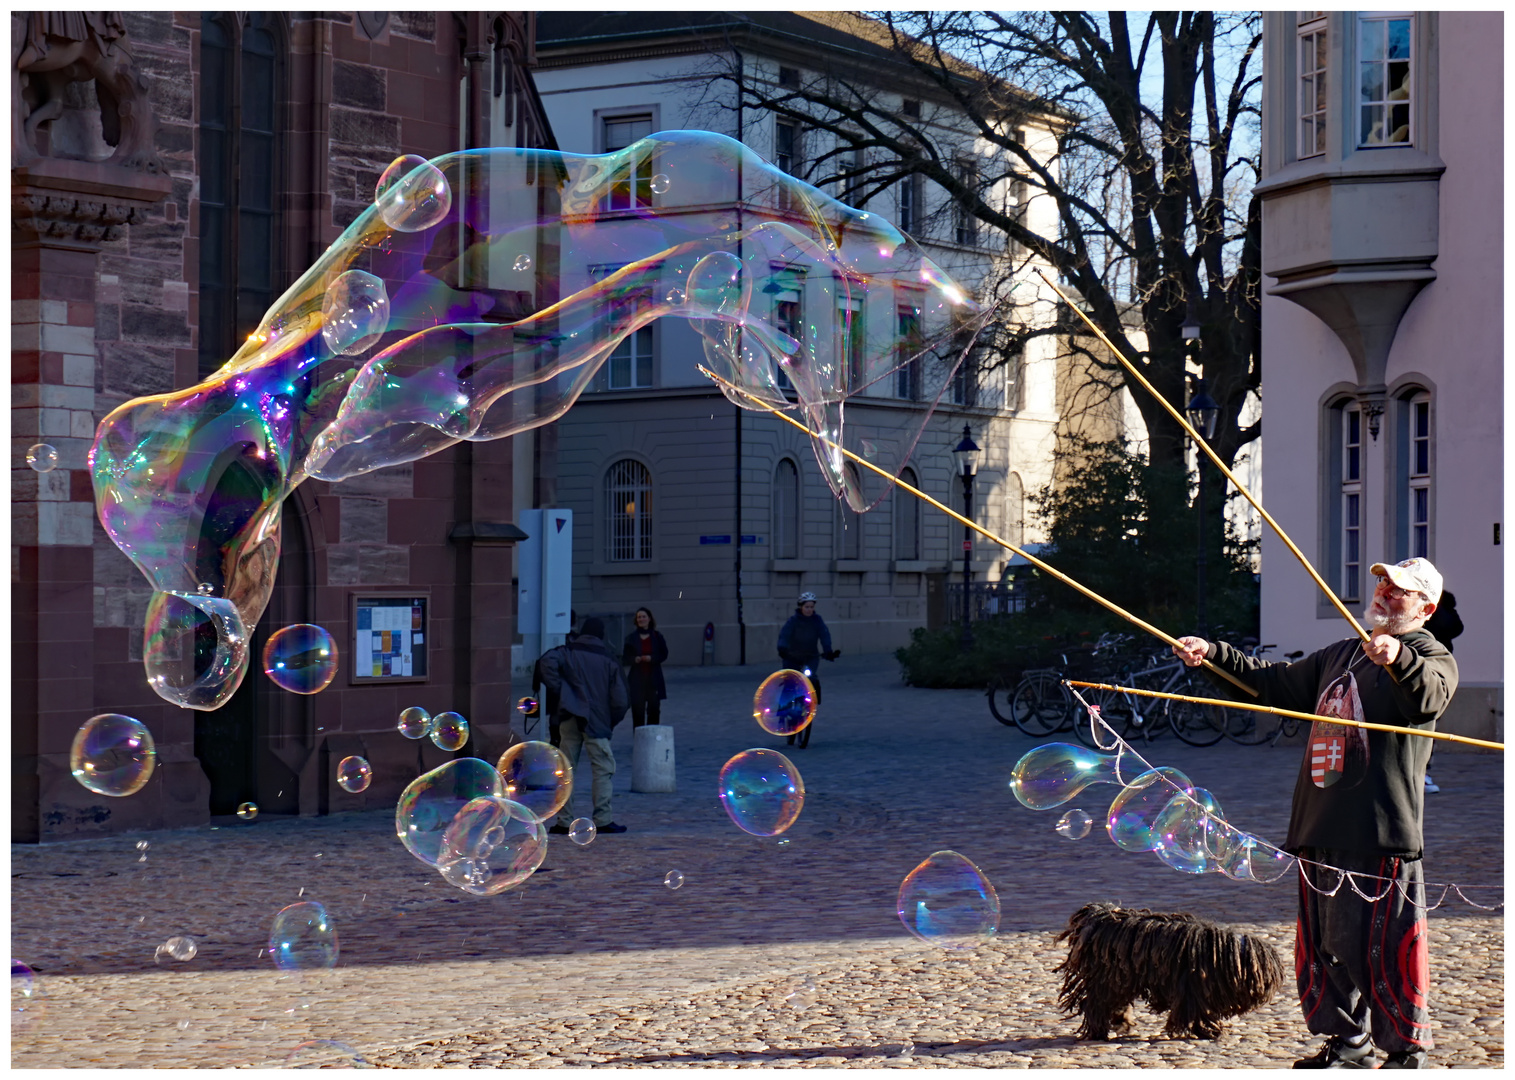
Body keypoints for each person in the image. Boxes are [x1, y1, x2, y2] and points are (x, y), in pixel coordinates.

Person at [1173, 557, 1456, 1069]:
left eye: (1400, 591)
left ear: (1426, 608)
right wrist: (1212, 654)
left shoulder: (1429, 654)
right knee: (1324, 950)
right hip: (1318, 825)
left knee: (1382, 950)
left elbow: (1428, 695)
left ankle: (1404, 1052)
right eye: (1383, 585)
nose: (1385, 594)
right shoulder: (1343, 653)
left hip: (1379, 832)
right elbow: (1273, 684)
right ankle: (1348, 1045)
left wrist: (1398, 658)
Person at [542, 616, 630, 835]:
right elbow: (621, 699)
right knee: (603, 769)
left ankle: (564, 820)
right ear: (601, 635)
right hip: (597, 720)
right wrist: (611, 720)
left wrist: (562, 692)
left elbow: (545, 662)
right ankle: (602, 818)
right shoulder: (609, 659)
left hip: (570, 715)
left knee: (566, 769)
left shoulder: (567, 652)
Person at [1421, 590, 1462, 794]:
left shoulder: (1438, 612)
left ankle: (1422, 772)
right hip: (1426, 672)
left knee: (1428, 724)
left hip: (1432, 673)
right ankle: (1421, 773)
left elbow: (1455, 628)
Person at [777, 590, 839, 711]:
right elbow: (784, 635)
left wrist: (828, 651)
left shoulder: (817, 620)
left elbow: (824, 634)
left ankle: (810, 699)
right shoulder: (793, 621)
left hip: (810, 656)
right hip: (792, 656)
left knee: (810, 677)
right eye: (806, 607)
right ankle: (783, 708)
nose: (809, 609)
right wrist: (782, 649)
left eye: (811, 607)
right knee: (789, 681)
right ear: (801, 607)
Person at [621, 607, 670, 728]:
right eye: (639, 617)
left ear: (649, 619)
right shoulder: (631, 638)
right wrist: (635, 659)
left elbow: (664, 654)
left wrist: (651, 658)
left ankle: (652, 739)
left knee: (654, 710)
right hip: (637, 679)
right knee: (638, 711)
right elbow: (625, 658)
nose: (641, 619)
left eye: (643, 617)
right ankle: (639, 740)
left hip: (653, 679)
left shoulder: (657, 636)